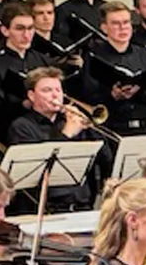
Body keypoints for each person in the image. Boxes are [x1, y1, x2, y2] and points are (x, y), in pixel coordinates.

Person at [7, 66, 97, 212]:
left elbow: (105, 157)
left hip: (82, 205)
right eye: (47, 90)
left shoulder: (71, 122)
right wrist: (67, 134)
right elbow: (37, 171)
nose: (55, 95)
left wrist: (90, 126)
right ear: (31, 95)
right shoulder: (22, 127)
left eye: (58, 90)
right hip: (48, 208)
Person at [83, 1, 146, 136]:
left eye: (126, 22)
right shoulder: (95, 58)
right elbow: (89, 95)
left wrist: (140, 90)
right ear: (104, 28)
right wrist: (112, 96)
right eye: (116, 24)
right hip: (113, 128)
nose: (122, 28)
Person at [0, 1, 49, 142]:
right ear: (5, 30)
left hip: (41, 130)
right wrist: (22, 104)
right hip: (5, 131)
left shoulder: (42, 59)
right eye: (20, 29)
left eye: (30, 28)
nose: (26, 35)